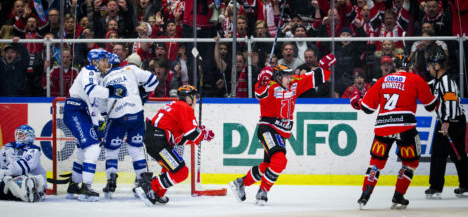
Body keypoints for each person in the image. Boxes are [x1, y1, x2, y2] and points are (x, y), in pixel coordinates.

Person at [229, 54, 336, 205]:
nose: (290, 79)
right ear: (278, 77)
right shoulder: (271, 87)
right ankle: (263, 191)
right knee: (280, 160)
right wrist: (263, 80)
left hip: (281, 132)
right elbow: (259, 93)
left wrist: (324, 67)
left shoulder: (295, 84)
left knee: (267, 165)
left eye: (291, 75)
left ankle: (240, 183)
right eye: (286, 76)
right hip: (268, 128)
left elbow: (313, 78)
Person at [350, 55, 438, 209]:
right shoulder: (415, 79)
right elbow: (431, 106)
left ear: (395, 67)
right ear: (410, 67)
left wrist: (357, 101)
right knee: (410, 163)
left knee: (376, 164)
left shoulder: (383, 80)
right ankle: (398, 195)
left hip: (383, 126)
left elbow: (368, 108)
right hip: (405, 127)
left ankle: (365, 196)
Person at [63, 48, 127, 201]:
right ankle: (86, 188)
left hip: (82, 112)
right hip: (75, 110)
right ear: (94, 61)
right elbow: (91, 91)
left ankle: (74, 186)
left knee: (82, 151)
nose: (107, 62)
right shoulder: (89, 71)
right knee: (92, 148)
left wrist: (98, 123)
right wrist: (111, 92)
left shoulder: (98, 76)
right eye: (103, 59)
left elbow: (94, 105)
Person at [135, 85, 215, 207]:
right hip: (159, 142)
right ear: (189, 98)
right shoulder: (185, 108)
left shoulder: (174, 105)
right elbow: (192, 134)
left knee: (169, 168)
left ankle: (157, 193)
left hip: (155, 140)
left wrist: (199, 133)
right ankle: (149, 186)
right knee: (181, 172)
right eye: (195, 97)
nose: (196, 100)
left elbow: (180, 139)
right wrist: (204, 134)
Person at [100, 52, 159, 199]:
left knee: (111, 150)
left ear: (109, 65)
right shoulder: (130, 69)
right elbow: (153, 80)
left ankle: (111, 180)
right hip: (136, 114)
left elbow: (101, 107)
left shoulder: (104, 79)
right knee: (136, 149)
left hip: (117, 117)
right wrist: (143, 92)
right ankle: (142, 183)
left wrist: (102, 116)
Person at [424, 48, 468, 199]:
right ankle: (466, 184)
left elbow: (449, 100)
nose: (428, 68)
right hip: (456, 120)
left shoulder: (446, 81)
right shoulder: (440, 81)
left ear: (437, 66)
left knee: (438, 153)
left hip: (450, 121)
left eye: (430, 65)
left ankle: (435, 187)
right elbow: (428, 86)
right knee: (459, 154)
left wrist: (447, 122)